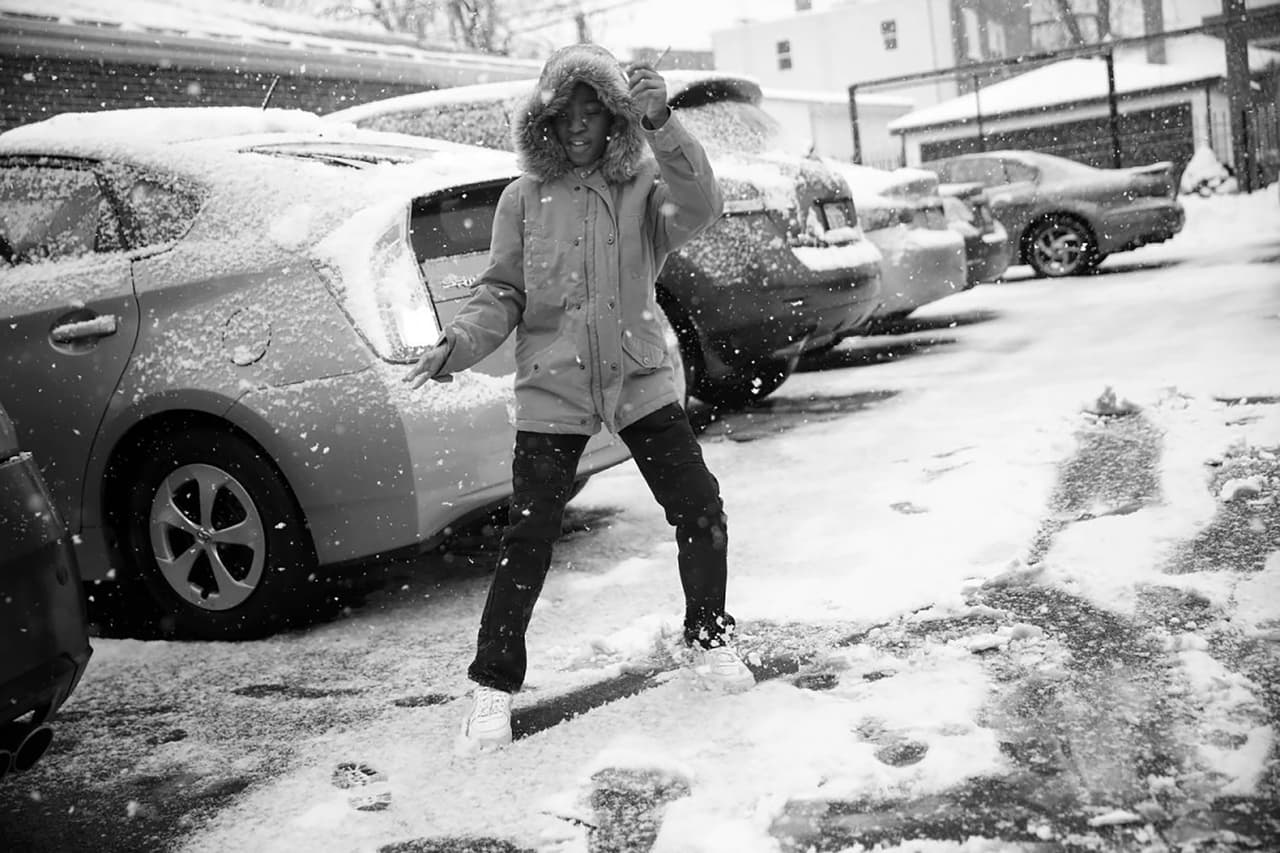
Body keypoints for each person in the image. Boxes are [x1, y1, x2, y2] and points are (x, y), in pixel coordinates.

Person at [403, 42, 755, 753]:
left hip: (638, 379)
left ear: (615, 118)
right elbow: (500, 292)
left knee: (700, 510)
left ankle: (709, 636)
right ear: (548, 119)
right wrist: (459, 343)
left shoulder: (646, 187)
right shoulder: (521, 200)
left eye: (595, 109)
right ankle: (492, 684)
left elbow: (703, 203)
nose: (579, 124)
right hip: (553, 388)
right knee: (528, 539)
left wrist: (665, 123)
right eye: (567, 110)